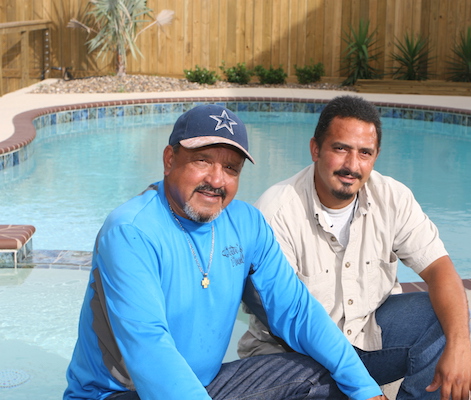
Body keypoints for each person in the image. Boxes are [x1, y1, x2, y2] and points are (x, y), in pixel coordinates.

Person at [64, 104, 388, 400]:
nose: (216, 180)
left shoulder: (246, 223)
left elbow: (297, 312)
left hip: (206, 386)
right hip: (119, 394)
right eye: (202, 160)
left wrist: (366, 389)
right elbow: (149, 349)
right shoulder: (131, 232)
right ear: (169, 159)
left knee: (325, 378)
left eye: (231, 168)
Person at [238, 96, 471, 400]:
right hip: (296, 358)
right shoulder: (277, 212)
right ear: (315, 149)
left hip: (367, 339)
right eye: (341, 149)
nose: (352, 165)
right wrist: (362, 390)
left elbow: (440, 269)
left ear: (376, 156)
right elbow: (290, 323)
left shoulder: (392, 197)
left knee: (446, 318)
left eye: (365, 153)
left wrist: (461, 347)